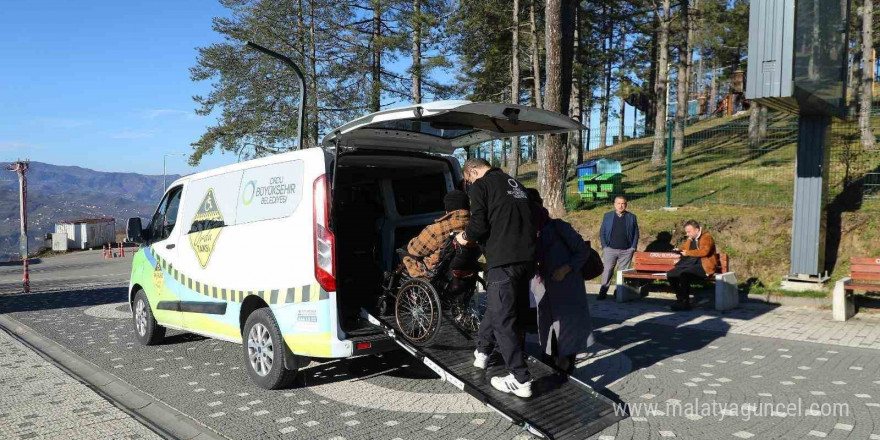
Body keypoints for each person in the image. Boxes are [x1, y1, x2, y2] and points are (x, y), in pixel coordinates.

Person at [456, 158, 537, 398]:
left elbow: (478, 224)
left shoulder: (481, 186)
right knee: (496, 306)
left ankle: (520, 379)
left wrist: (464, 236)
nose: (468, 184)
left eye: (468, 180)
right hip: (526, 260)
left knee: (504, 320)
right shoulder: (517, 185)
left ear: (472, 172)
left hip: (503, 260)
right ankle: (482, 352)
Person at [527, 189, 594, 375]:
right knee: (548, 330)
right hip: (545, 291)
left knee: (567, 332)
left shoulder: (559, 227)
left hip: (567, 288)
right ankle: (550, 367)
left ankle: (564, 370)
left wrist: (566, 269)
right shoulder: (531, 233)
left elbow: (582, 251)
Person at [402, 190, 471, 278]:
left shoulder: (438, 229)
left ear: (448, 210)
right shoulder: (474, 226)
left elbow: (414, 250)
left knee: (404, 252)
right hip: (464, 270)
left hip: (434, 273)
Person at [667, 220, 719, 311]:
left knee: (684, 275)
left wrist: (687, 253)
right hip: (691, 263)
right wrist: (678, 250)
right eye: (686, 232)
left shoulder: (706, 237)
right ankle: (680, 297)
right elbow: (685, 248)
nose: (687, 234)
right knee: (671, 274)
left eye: (689, 232)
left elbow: (704, 251)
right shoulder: (691, 238)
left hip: (704, 265)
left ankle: (685, 303)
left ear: (697, 230)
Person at [597, 195, 639, 300]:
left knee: (622, 274)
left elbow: (636, 233)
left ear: (626, 205)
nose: (620, 206)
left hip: (626, 250)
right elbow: (602, 232)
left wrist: (633, 247)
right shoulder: (607, 216)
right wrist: (604, 246)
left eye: (623, 203)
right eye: (618, 203)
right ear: (614, 204)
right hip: (610, 249)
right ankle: (603, 291)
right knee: (607, 271)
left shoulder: (632, 217)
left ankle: (618, 293)